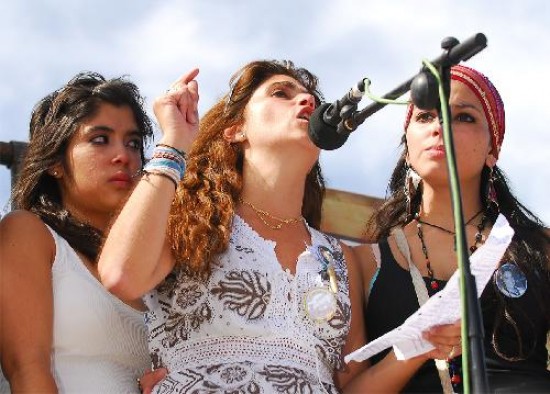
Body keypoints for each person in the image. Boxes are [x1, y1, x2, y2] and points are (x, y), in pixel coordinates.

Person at [98, 59, 461, 394]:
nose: (305, 100)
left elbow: (351, 386)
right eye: (281, 93)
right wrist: (174, 142)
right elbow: (121, 275)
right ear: (235, 130)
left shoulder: (337, 259)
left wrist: (417, 347)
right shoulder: (188, 217)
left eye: (311, 98)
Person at [354, 64, 550, 392]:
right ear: (407, 147)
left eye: (464, 117)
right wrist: (414, 348)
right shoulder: (362, 262)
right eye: (425, 116)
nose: (440, 126)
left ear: (492, 149)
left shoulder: (539, 247)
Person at [0, 72, 155, 393]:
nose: (123, 156)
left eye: (134, 143)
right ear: (55, 161)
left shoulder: (156, 267)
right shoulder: (30, 233)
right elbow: (26, 371)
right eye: (100, 139)